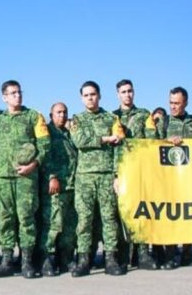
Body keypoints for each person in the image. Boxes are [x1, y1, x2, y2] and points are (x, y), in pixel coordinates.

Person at [0, 81, 50, 279]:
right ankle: (6, 261)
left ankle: (27, 262)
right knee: (5, 219)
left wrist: (34, 165)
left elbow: (45, 144)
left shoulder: (33, 116)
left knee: (26, 218)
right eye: (13, 93)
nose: (18, 96)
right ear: (4, 97)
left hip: (26, 177)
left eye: (19, 92)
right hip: (4, 177)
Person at [71, 81, 126, 277]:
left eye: (93, 94)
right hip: (85, 177)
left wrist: (117, 175)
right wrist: (105, 139)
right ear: (81, 98)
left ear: (100, 96)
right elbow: (80, 141)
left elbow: (119, 146)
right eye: (86, 95)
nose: (90, 98)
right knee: (84, 220)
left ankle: (111, 259)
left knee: (109, 218)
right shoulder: (76, 119)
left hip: (106, 175)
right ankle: (83, 260)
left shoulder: (112, 118)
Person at [112, 79, 158, 270]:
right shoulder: (111, 117)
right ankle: (123, 256)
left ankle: (143, 254)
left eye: (130, 91)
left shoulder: (144, 114)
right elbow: (111, 148)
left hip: (140, 170)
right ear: (118, 95)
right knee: (122, 213)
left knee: (142, 212)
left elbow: (152, 139)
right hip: (121, 170)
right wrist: (115, 174)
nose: (127, 95)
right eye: (123, 92)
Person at [160, 86, 192, 269]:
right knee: (171, 216)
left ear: (185, 102)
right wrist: (167, 141)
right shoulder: (164, 122)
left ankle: (187, 253)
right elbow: (152, 143)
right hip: (170, 178)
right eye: (171, 103)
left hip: (189, 177)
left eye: (177, 103)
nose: (173, 107)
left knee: (189, 216)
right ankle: (169, 255)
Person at [38, 102, 78, 276]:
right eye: (58, 112)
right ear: (51, 114)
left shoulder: (69, 134)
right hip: (55, 186)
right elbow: (44, 156)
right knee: (53, 225)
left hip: (71, 186)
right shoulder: (47, 133)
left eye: (65, 112)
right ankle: (45, 259)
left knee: (69, 226)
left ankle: (66, 259)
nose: (62, 115)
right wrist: (52, 176)